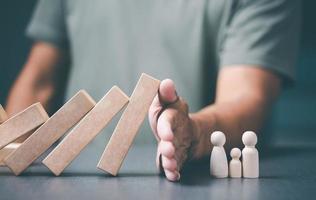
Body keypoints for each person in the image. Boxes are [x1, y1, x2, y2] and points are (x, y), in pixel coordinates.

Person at [5, 0, 301, 181]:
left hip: (192, 180)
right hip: (70, 177)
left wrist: (193, 132)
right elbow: (38, 80)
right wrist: (8, 146)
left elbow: (247, 97)